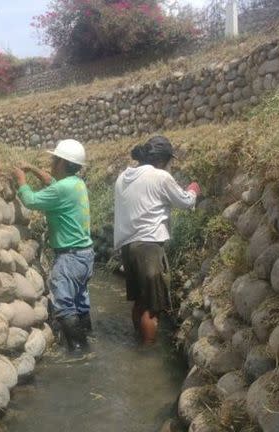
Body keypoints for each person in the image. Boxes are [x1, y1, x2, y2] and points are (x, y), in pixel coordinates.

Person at [113, 135, 200, 344]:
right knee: (152, 308)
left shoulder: (123, 177)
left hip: (127, 247)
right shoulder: (160, 176)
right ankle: (148, 354)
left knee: (139, 302)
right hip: (149, 247)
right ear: (162, 160)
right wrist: (194, 189)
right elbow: (185, 202)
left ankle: (138, 342)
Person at [12, 139, 95, 351]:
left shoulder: (61, 190)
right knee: (80, 303)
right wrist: (32, 169)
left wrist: (21, 180)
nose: (51, 162)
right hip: (85, 256)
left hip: (69, 258)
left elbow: (30, 199)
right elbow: (52, 182)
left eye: (54, 159)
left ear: (61, 162)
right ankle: (88, 339)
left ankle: (79, 350)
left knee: (65, 306)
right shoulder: (76, 183)